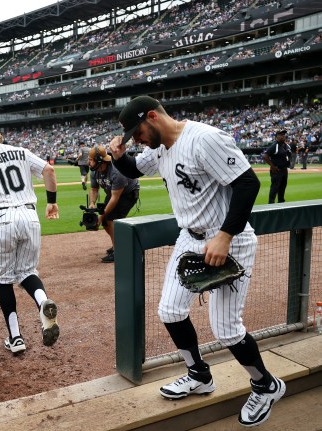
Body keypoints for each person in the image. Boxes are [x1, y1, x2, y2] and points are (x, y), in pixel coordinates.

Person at [108, 96, 285, 428]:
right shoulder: (159, 147)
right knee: (170, 311)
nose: (138, 140)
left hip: (228, 239)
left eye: (138, 133)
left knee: (226, 329)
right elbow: (135, 168)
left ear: (152, 117)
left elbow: (248, 183)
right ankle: (199, 375)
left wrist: (226, 236)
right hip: (189, 238)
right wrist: (120, 156)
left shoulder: (204, 139)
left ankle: (266, 385)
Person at [0, 115, 60, 355]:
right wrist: (52, 203)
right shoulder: (20, 151)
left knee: (4, 279)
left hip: (2, 219)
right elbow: (49, 169)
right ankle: (42, 303)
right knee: (28, 272)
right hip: (29, 216)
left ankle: (16, 338)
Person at [87, 145, 140, 263]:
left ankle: (119, 251)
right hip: (112, 193)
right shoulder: (95, 170)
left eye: (90, 159)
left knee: (111, 218)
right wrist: (92, 203)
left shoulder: (116, 171)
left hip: (128, 193)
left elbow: (115, 198)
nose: (88, 162)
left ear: (99, 160)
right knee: (106, 220)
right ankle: (116, 245)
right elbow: (94, 189)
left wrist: (100, 217)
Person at [262, 129, 290, 204]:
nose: (283, 136)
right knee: (275, 188)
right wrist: (273, 166)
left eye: (284, 135)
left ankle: (281, 202)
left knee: (282, 187)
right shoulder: (275, 145)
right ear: (276, 137)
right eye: (280, 135)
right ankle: (271, 204)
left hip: (284, 170)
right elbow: (265, 156)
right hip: (277, 170)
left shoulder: (286, 145)